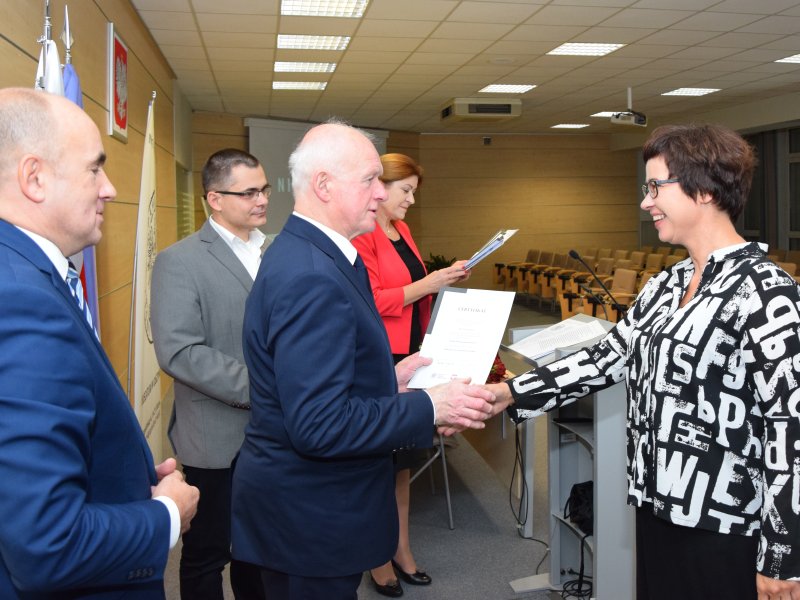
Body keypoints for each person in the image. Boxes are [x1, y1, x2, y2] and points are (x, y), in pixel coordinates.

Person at [487, 123, 800, 600]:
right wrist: (508, 393)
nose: (645, 201)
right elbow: (606, 358)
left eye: (656, 187)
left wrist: (783, 555)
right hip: (657, 506)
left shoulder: (767, 291)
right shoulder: (666, 285)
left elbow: (790, 428)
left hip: (726, 524)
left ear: (704, 190)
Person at [230, 120, 497, 600]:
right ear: (324, 185)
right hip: (309, 519)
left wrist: (387, 380)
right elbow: (318, 424)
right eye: (370, 179)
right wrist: (430, 406)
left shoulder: (317, 254)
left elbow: (314, 380)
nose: (381, 192)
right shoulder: (312, 274)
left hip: (306, 510)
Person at [0, 87, 199, 598]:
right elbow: (45, 545)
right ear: (34, 179)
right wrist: (166, 514)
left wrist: (126, 478)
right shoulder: (22, 300)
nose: (109, 188)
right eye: (94, 169)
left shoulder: (26, 274)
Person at [151, 149, 268, 600]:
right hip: (216, 437)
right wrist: (266, 389)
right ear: (215, 199)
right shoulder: (179, 261)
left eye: (264, 189)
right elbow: (180, 352)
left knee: (259, 550)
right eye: (249, 192)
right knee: (207, 554)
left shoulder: (273, 252)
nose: (262, 199)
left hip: (273, 434)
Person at [352, 153, 470, 597]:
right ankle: (376, 556)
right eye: (406, 191)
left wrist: (443, 281)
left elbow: (414, 290)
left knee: (402, 462)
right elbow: (373, 299)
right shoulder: (363, 235)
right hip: (382, 358)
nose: (411, 200)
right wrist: (431, 282)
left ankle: (401, 548)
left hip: (414, 351)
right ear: (380, 187)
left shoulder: (401, 230)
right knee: (378, 464)